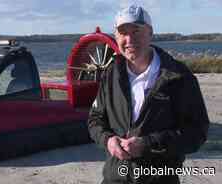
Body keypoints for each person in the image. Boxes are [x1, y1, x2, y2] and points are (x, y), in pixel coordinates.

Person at [87, 4, 209, 184]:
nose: (129, 39)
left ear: (150, 33)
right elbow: (95, 120)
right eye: (123, 32)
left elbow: (197, 132)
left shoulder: (178, 76)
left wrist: (148, 144)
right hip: (115, 178)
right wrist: (108, 141)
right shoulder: (110, 74)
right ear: (116, 36)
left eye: (136, 31)